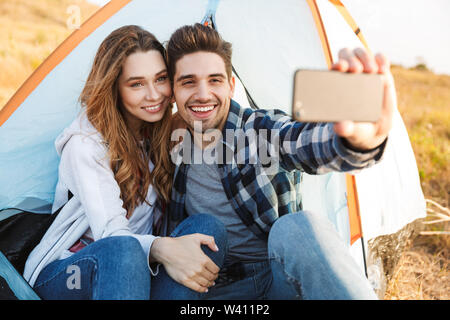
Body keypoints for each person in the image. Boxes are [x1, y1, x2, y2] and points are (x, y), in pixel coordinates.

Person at [159, 23, 397, 300]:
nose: (202, 94)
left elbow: (299, 140)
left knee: (296, 227)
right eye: (188, 82)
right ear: (172, 91)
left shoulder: (259, 130)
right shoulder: (168, 142)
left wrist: (355, 142)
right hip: (210, 285)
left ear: (231, 85)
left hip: (277, 278)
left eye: (215, 80)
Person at [23, 25, 227, 300]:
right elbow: (112, 234)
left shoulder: (162, 130)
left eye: (161, 79)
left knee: (207, 230)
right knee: (123, 250)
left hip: (138, 272)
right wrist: (161, 248)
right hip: (70, 274)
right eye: (137, 84)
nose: (154, 95)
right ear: (115, 88)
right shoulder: (85, 144)